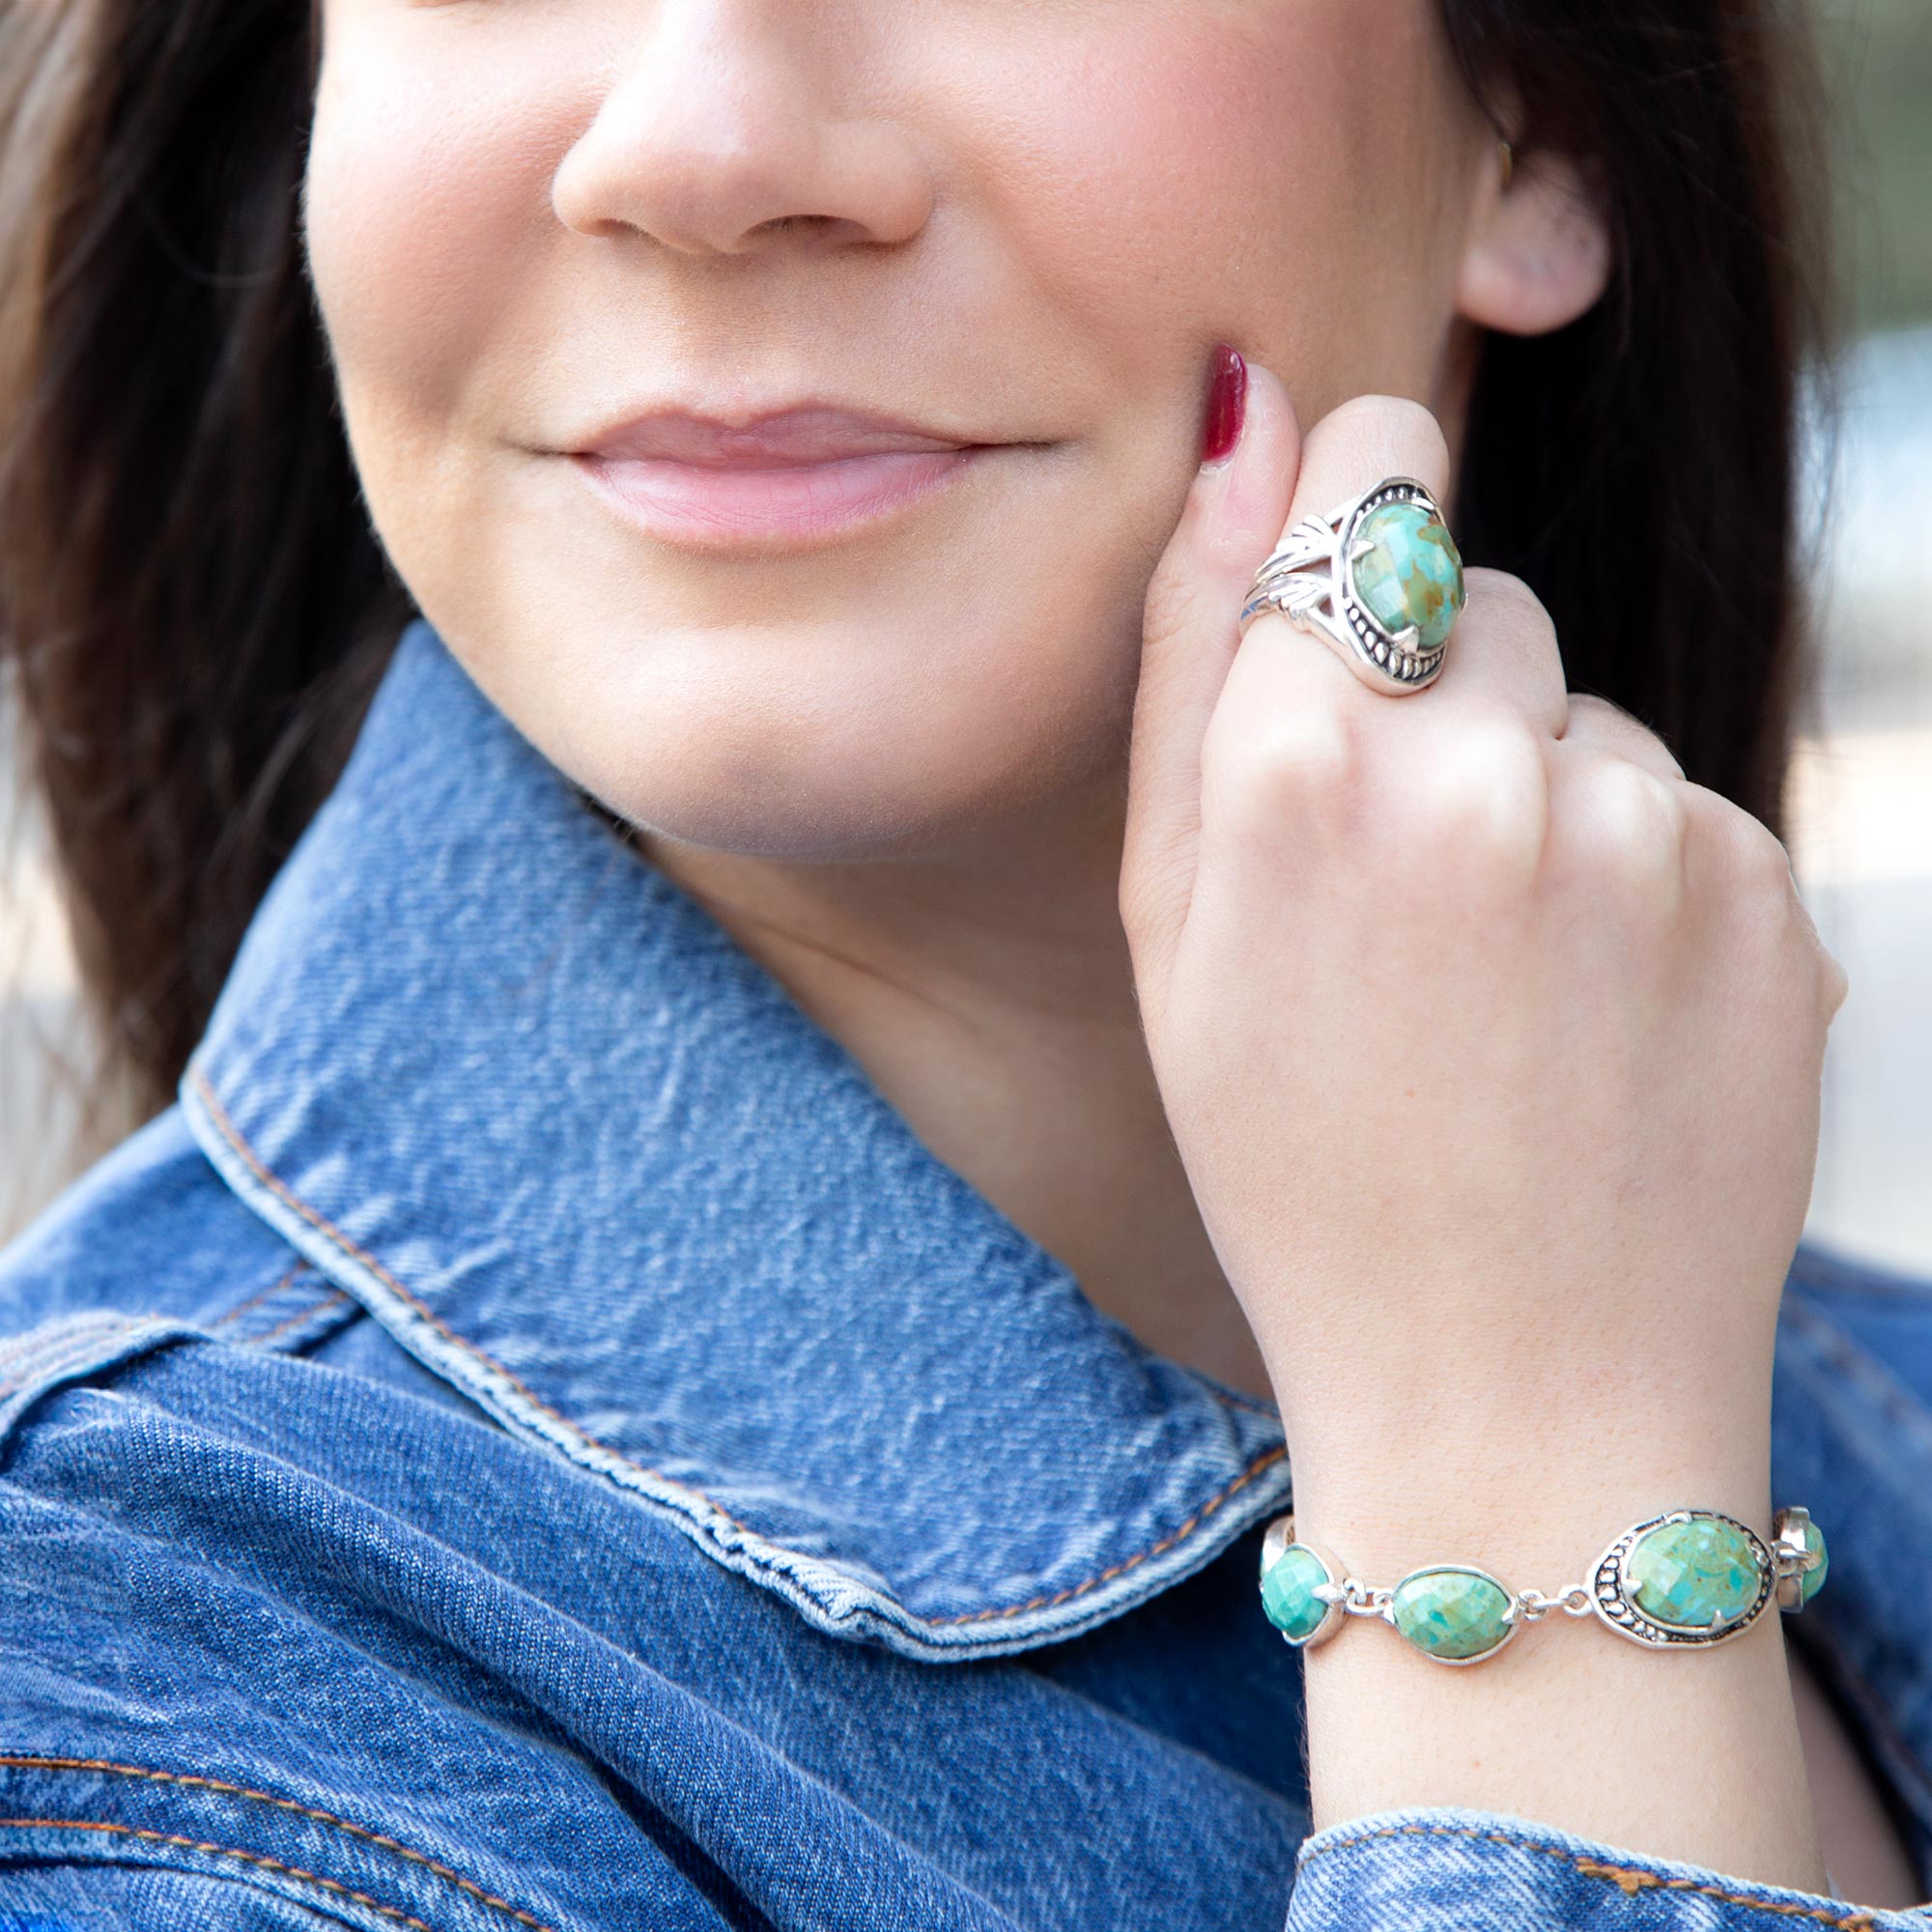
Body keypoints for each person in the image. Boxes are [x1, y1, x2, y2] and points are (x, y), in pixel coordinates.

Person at [1, 0, 1929, 1924]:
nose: (701, 156)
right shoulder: (123, 1721)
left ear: (1539, 118)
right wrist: (1530, 1546)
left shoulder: (1863, 1399)